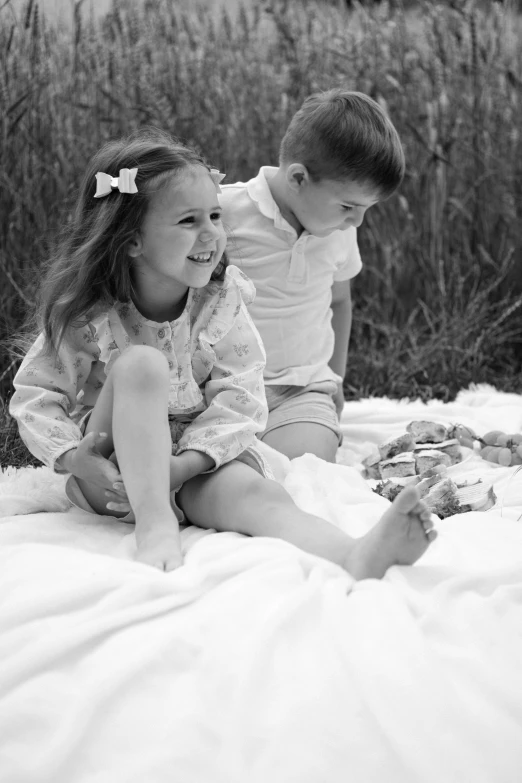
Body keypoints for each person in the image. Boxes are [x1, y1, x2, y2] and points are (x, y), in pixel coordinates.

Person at [10, 128, 435, 576]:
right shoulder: (89, 312)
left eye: (215, 215)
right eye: (189, 221)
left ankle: (353, 554)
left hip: (195, 459)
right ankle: (155, 525)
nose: (212, 233)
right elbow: (38, 395)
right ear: (132, 239)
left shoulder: (221, 301)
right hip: (113, 474)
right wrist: (75, 458)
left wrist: (187, 464)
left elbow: (240, 393)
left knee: (259, 495)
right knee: (141, 364)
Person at [219, 89, 405, 463]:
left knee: (306, 465)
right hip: (224, 388)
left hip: (300, 389)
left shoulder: (338, 230)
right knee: (217, 462)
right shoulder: (223, 212)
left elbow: (339, 302)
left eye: (365, 209)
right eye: (349, 206)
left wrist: (334, 380)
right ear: (299, 178)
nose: (357, 220)